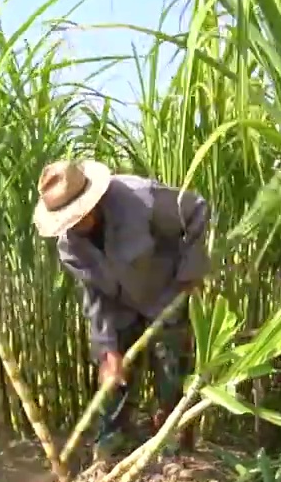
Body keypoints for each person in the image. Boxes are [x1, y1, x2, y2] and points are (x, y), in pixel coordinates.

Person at [31, 159, 212, 463]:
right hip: (119, 308)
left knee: (171, 372)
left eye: (76, 215)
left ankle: (175, 445)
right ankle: (111, 445)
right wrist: (107, 349)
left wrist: (189, 274)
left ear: (91, 201)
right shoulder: (70, 247)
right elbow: (94, 295)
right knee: (114, 378)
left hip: (164, 293)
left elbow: (196, 210)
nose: (73, 224)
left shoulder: (141, 198)